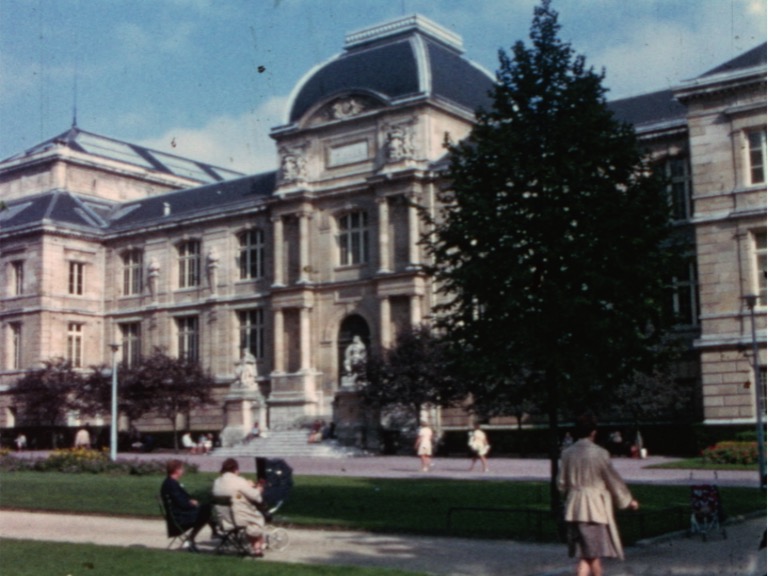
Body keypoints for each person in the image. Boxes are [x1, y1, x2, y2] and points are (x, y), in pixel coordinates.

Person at [558, 412, 639, 576]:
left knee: (587, 555)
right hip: (594, 509)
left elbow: (561, 484)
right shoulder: (600, 453)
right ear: (593, 432)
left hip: (574, 508)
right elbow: (612, 480)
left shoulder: (567, 453)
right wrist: (628, 500)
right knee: (593, 556)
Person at [212, 458, 266, 557]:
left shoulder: (217, 482)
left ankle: (256, 547)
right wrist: (258, 489)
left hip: (224, 519)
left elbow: (236, 494)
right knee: (257, 518)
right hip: (239, 517)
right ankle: (257, 547)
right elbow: (255, 496)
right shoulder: (239, 480)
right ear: (236, 469)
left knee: (250, 518)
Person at [160, 459, 215, 552]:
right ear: (176, 470)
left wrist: (191, 501)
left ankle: (213, 531)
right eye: (181, 468)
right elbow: (181, 503)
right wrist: (192, 504)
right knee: (206, 510)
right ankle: (192, 539)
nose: (183, 470)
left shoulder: (171, 483)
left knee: (206, 509)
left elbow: (182, 499)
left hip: (179, 514)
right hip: (180, 517)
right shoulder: (171, 485)